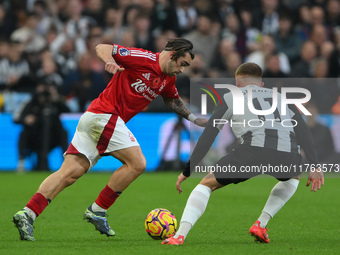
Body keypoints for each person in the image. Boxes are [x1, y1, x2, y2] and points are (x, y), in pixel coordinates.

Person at [12, 38, 207, 241]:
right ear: (172, 54)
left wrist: (194, 119)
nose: (182, 70)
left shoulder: (168, 79)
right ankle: (98, 209)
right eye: (182, 64)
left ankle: (27, 214)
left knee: (69, 174)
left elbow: (172, 99)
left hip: (94, 118)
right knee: (138, 163)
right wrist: (109, 61)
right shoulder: (143, 58)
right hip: (104, 116)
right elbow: (102, 47)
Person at [162, 62, 324, 245]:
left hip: (251, 151)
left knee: (206, 184)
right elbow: (303, 132)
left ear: (237, 84)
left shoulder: (231, 97)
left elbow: (208, 135)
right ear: (261, 84)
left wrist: (187, 171)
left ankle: (179, 235)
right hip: (286, 152)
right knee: (294, 174)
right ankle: (260, 224)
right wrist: (315, 165)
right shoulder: (283, 98)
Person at [15, 82, 69, 171]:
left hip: (53, 137)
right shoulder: (31, 102)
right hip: (35, 136)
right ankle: (21, 161)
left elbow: (68, 110)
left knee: (64, 132)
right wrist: (25, 119)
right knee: (23, 133)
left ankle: (66, 162)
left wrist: (56, 99)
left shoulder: (54, 103)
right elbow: (17, 118)